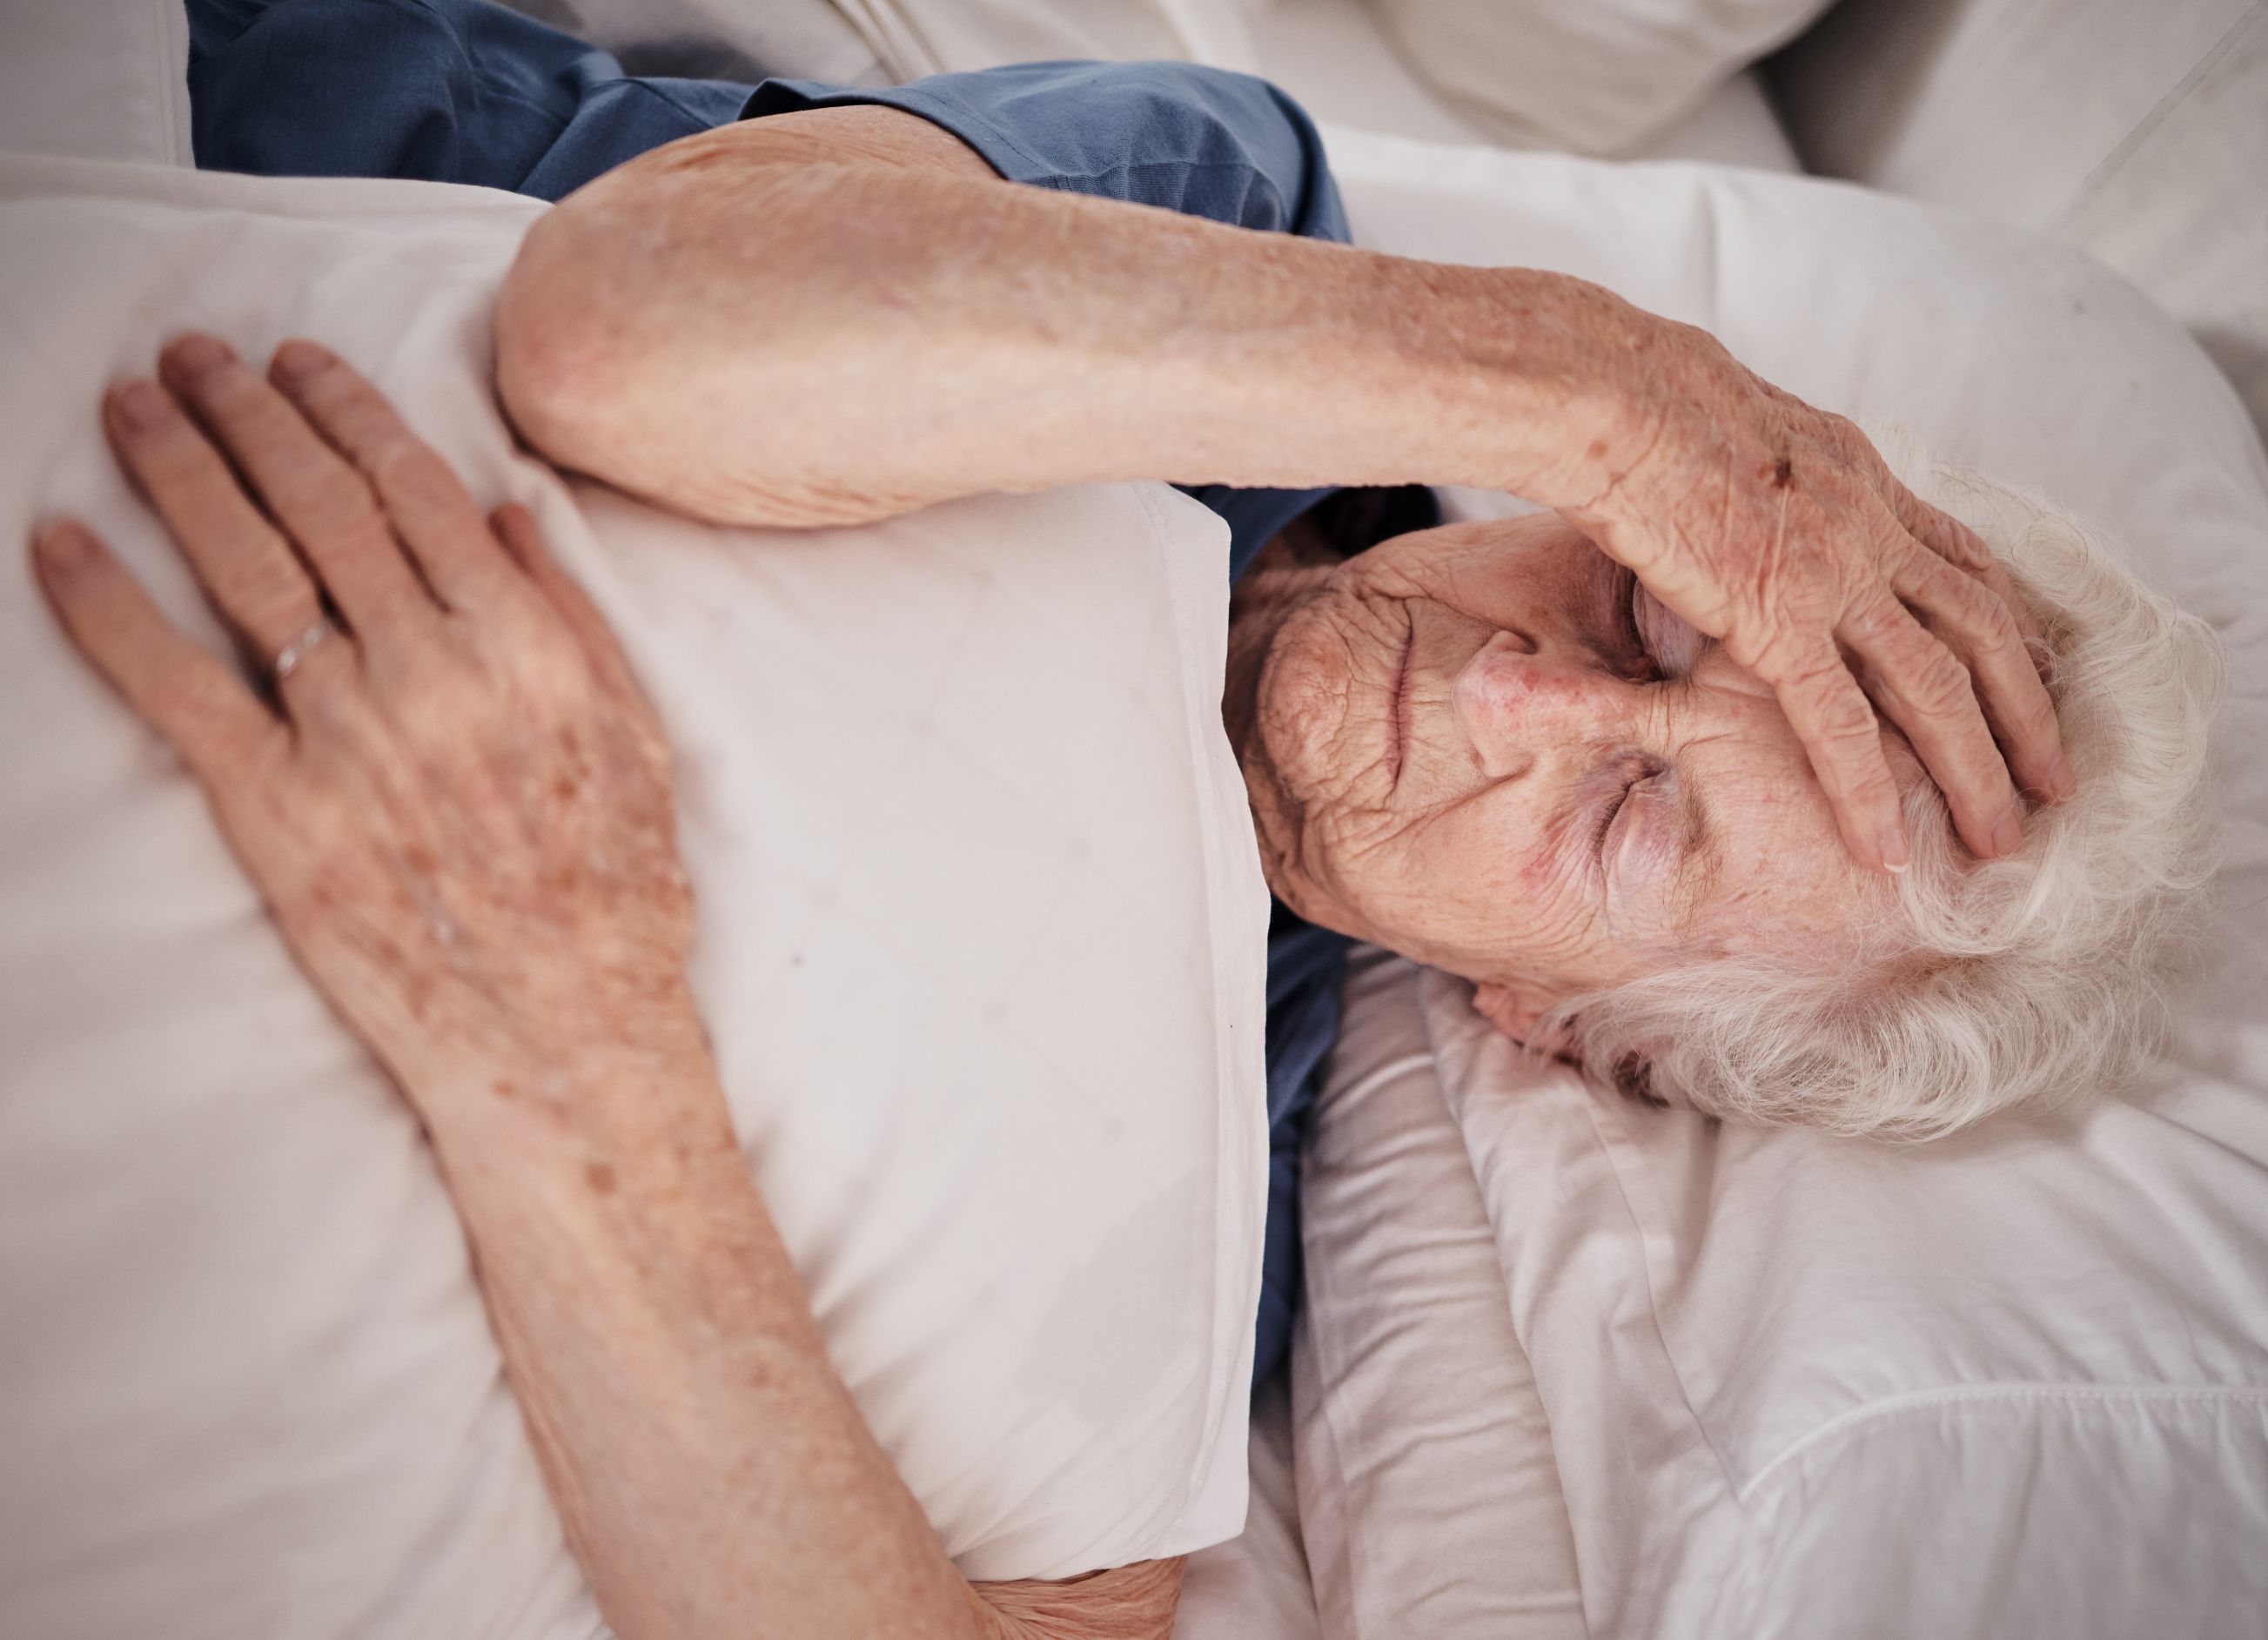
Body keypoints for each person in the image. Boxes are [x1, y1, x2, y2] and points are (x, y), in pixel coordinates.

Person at [25, 4, 2213, 1636]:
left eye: (1631, 825)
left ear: (1558, 1028)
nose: (1528, 685)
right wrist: (1602, 386)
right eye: (1644, 606)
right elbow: (625, 337)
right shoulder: (1239, 235)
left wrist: (562, 1044)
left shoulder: (1200, 1166)